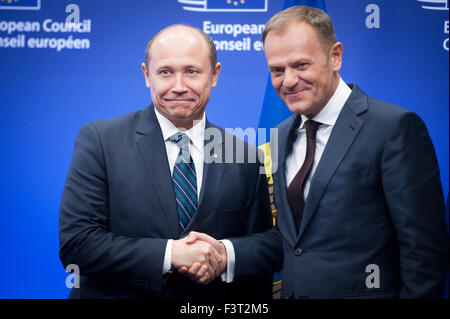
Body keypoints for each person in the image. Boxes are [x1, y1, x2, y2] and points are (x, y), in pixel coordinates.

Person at [186, 6, 449, 298]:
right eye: (277, 70)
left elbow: (424, 253)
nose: (288, 81)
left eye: (301, 65)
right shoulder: (282, 134)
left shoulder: (394, 129)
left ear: (335, 56)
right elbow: (293, 241)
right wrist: (225, 253)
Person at [58, 24, 278, 299]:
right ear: (146, 75)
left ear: (215, 75)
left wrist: (223, 255)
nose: (179, 86)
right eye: (165, 72)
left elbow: (267, 248)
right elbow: (78, 245)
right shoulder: (100, 141)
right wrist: (172, 253)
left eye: (192, 72)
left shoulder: (245, 156)